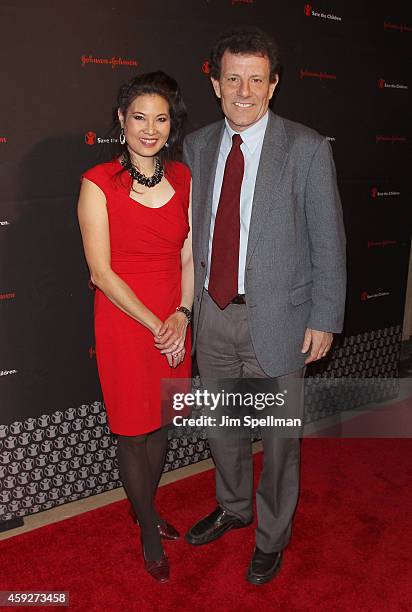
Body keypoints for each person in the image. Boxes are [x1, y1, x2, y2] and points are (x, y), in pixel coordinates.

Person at [183, 28, 346, 585]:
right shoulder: (198, 145)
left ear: (273, 86)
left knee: (278, 443)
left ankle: (272, 536)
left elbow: (329, 239)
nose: (244, 91)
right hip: (213, 315)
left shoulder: (306, 147)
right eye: (233, 78)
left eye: (256, 79)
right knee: (221, 428)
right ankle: (233, 507)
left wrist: (325, 316)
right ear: (215, 84)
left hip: (280, 320)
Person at [77, 71, 193, 583]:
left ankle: (144, 505)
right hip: (126, 322)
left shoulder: (185, 178)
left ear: (172, 124)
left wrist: (182, 316)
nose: (150, 128)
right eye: (139, 117)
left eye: (161, 118)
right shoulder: (97, 181)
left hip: (174, 315)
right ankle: (148, 527)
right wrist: (154, 324)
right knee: (131, 429)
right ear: (121, 122)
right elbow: (101, 272)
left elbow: (191, 255)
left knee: (163, 422)